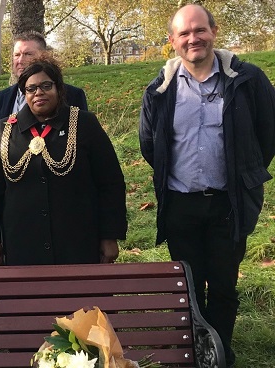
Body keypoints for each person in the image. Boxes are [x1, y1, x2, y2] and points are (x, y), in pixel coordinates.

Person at [139, 5, 275, 367]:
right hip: (181, 204)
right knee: (188, 287)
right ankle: (195, 351)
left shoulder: (248, 80)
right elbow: (149, 144)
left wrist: (245, 174)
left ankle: (220, 353)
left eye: (199, 30)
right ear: (172, 41)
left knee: (224, 286)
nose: (192, 39)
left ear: (214, 32)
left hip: (228, 203)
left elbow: (267, 135)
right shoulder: (160, 90)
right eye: (184, 33)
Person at [0, 58, 126, 266]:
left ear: (58, 88)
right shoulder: (5, 130)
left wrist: (110, 236)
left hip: (78, 243)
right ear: (25, 94)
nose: (39, 92)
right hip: (23, 244)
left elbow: (110, 183)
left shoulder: (84, 123)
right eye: (31, 88)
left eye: (46, 86)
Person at [0, 31, 88, 138]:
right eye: (17, 55)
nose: (20, 60)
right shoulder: (0, 98)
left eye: (28, 54)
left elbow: (83, 139)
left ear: (43, 57)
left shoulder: (73, 95)